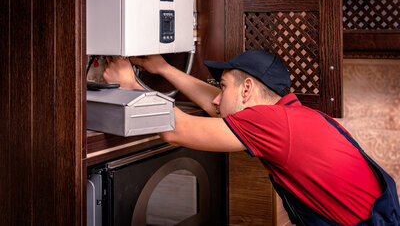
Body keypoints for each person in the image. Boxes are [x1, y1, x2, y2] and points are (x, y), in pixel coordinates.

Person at [102, 49, 400, 225]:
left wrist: (129, 85)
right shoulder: (291, 117)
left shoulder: (270, 123)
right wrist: (163, 68)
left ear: (247, 89)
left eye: (223, 86)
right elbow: (217, 106)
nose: (217, 99)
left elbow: (174, 130)